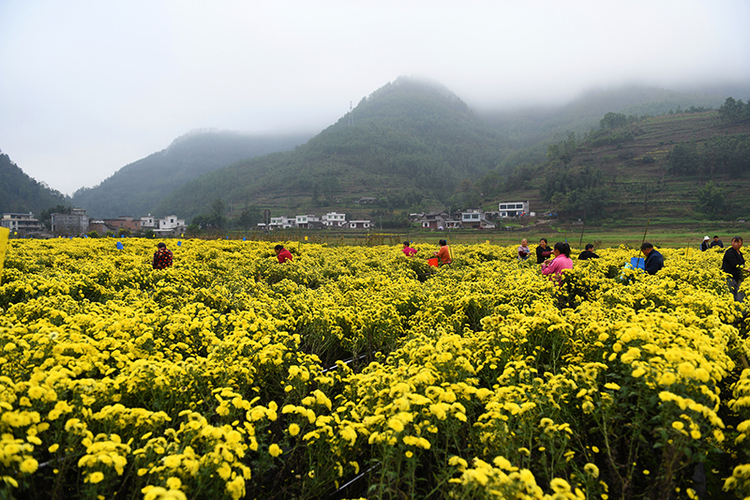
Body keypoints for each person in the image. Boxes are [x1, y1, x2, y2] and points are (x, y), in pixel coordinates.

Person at [721, 236, 748, 302]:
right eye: (734, 242)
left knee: (738, 294)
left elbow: (741, 264)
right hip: (729, 277)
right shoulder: (730, 252)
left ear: (741, 244)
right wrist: (746, 269)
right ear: (731, 243)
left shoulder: (739, 253)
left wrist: (745, 268)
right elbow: (735, 264)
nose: (735, 244)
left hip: (737, 277)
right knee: (732, 295)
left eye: (738, 242)